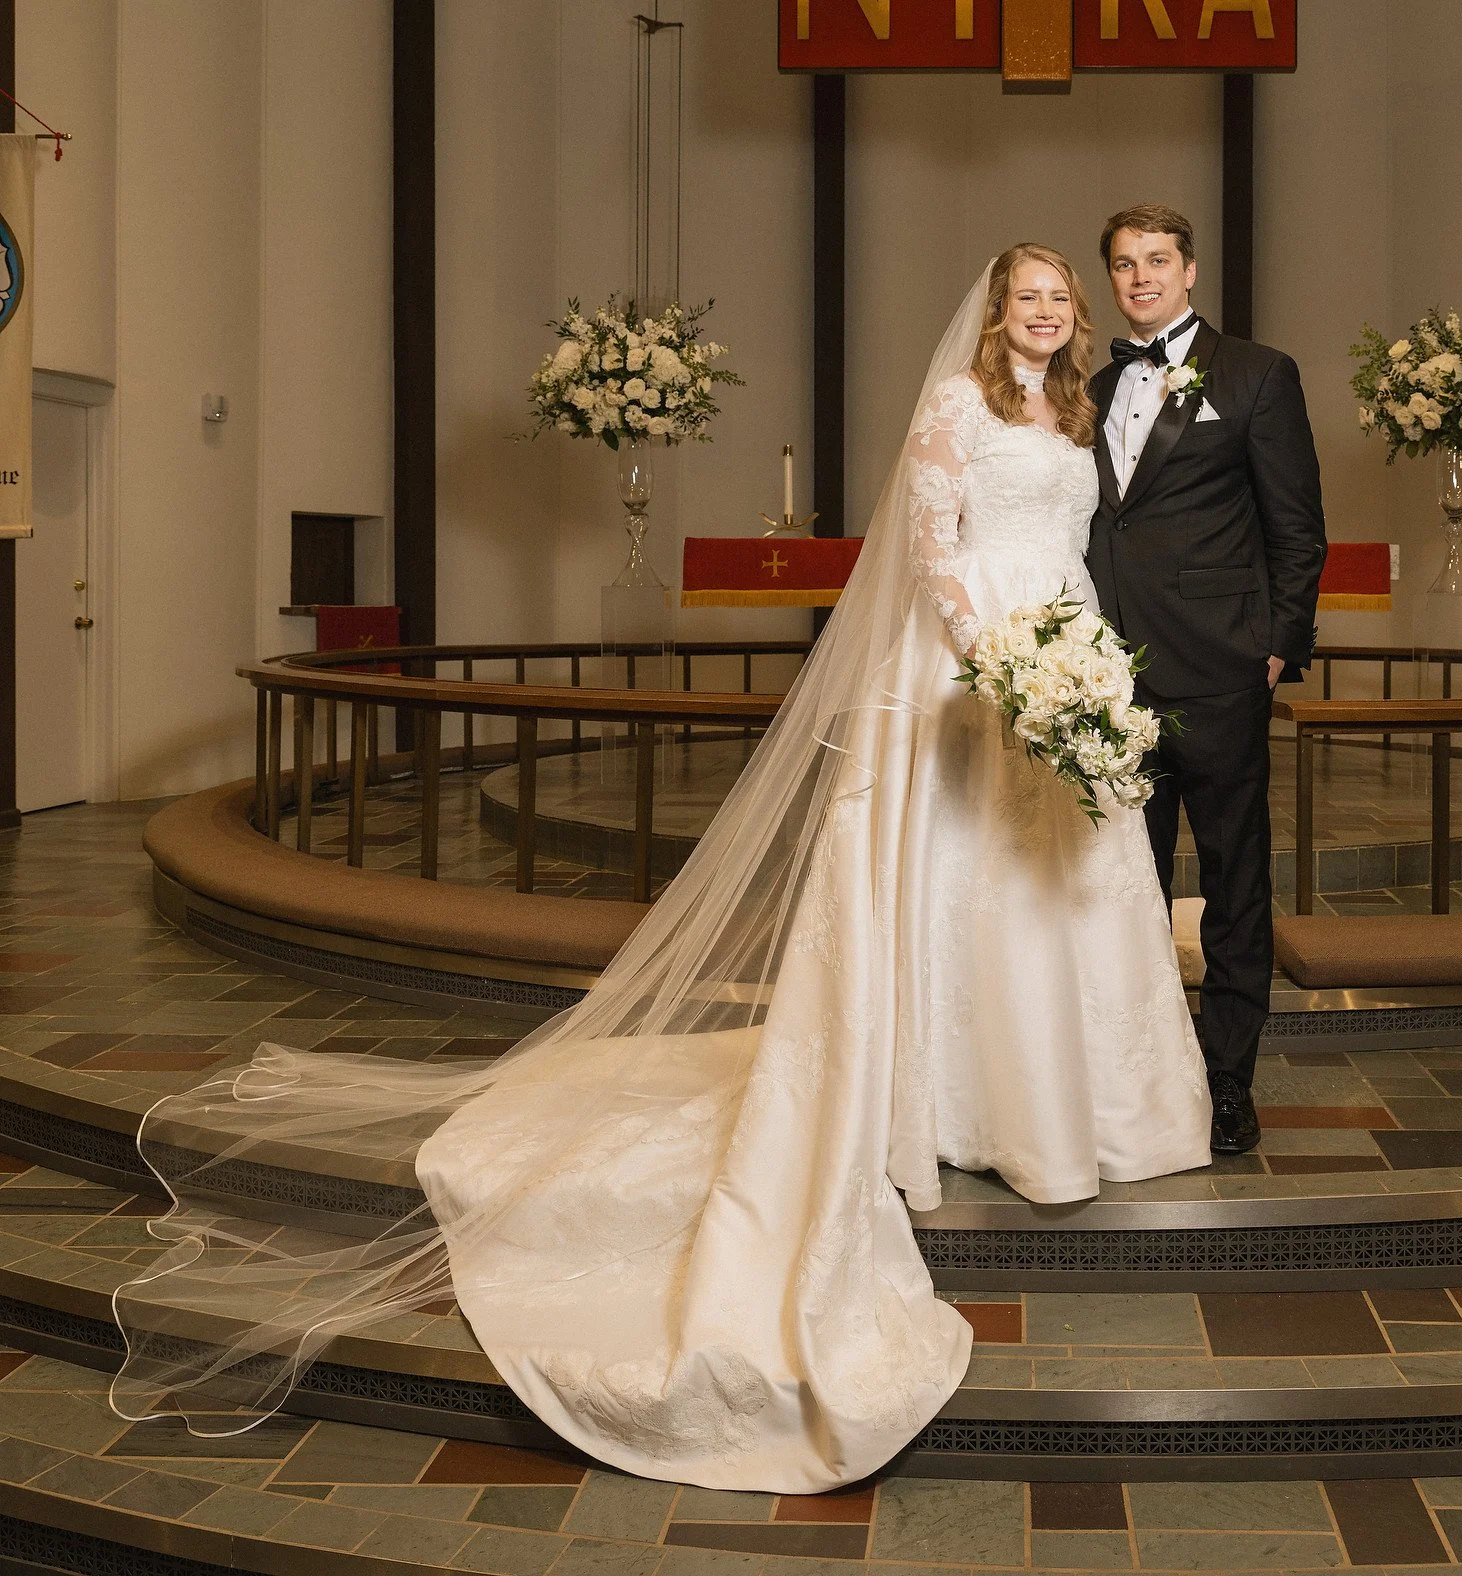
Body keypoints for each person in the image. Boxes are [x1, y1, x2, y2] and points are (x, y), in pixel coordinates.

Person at [109, 246, 1209, 1495]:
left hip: (1067, 639)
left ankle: (1083, 1098)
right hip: (971, 667)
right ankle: (955, 1101)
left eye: (1062, 296)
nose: (1047, 310)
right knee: (967, 888)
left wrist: (1069, 662)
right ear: (995, 309)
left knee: (1065, 879)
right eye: (1030, 294)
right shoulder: (957, 402)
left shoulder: (1072, 407)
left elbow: (1083, 536)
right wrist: (993, 657)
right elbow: (929, 544)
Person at [1086, 204, 1329, 1156]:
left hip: (1222, 670)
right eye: (1122, 264)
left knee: (1233, 884)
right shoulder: (1095, 384)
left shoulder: (1259, 374)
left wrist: (1276, 645)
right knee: (1122, 887)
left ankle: (1228, 1080)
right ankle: (1139, 1073)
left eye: (1156, 260)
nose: (1140, 277)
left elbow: (1296, 527)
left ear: (1190, 269)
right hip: (1109, 681)